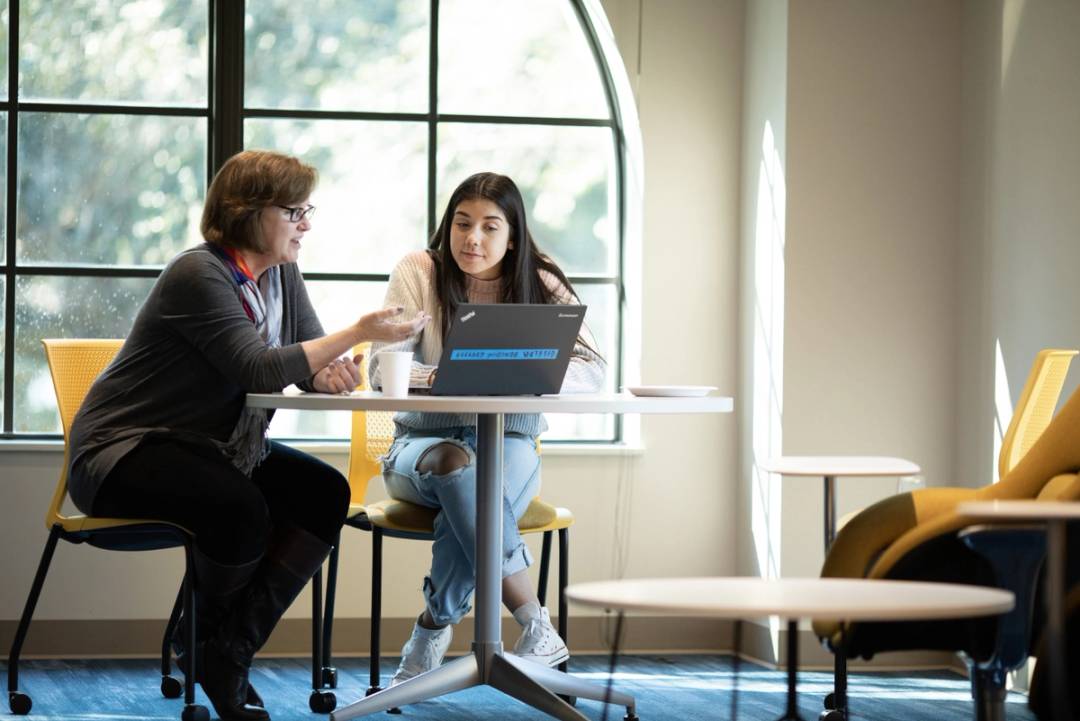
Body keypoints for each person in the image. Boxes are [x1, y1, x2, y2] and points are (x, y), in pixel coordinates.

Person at [67, 150, 429, 721]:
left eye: (308, 209)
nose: (306, 223)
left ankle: (225, 650)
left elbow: (298, 360)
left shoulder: (281, 273)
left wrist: (326, 373)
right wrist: (357, 331)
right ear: (245, 211)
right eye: (294, 210)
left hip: (214, 450)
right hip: (124, 452)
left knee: (323, 492)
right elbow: (258, 369)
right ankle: (210, 648)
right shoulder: (198, 274)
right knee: (239, 508)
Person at [368, 171, 605, 686]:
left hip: (512, 445)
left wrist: (522, 373)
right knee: (460, 468)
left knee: (472, 493)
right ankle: (535, 623)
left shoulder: (542, 280)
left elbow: (591, 370)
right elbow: (381, 367)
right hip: (422, 448)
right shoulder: (419, 271)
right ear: (448, 226)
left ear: (513, 235)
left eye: (490, 227)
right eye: (462, 223)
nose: (472, 238)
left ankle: (431, 629)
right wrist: (447, 372)